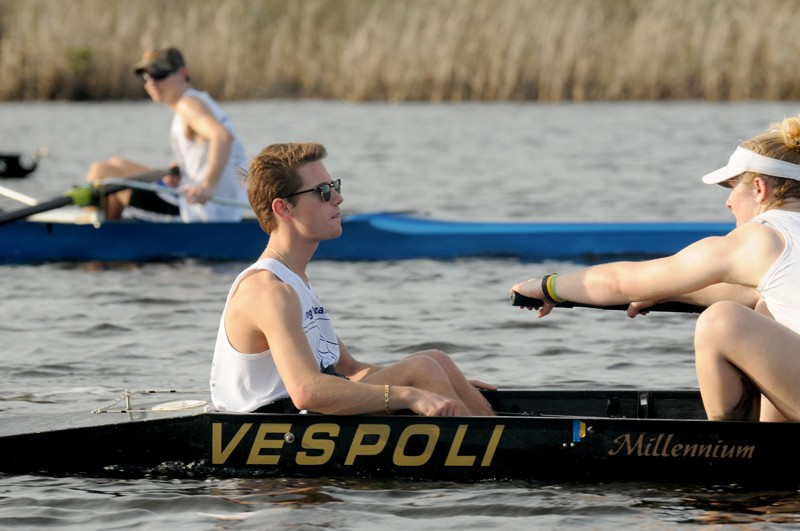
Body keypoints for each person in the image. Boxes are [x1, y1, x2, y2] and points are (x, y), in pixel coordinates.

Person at [511, 115, 800, 423]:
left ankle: (729, 450)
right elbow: (752, 292)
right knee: (763, 307)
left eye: (731, 187)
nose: (728, 202)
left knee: (722, 320)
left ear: (759, 188)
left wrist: (547, 287)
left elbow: (621, 283)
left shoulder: (760, 237)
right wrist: (669, 290)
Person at [210, 142, 496, 416]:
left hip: (305, 415)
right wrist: (410, 393)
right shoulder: (268, 290)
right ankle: (495, 455)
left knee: (437, 361)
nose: (338, 198)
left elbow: (350, 369)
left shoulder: (295, 281)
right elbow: (306, 392)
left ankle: (493, 444)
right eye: (323, 191)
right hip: (274, 424)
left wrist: (442, 385)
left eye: (335, 186)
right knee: (424, 368)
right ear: (284, 208)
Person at [85, 46, 247, 222]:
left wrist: (207, 186)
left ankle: (94, 235)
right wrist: (181, 171)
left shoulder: (188, 105)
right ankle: (108, 227)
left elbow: (223, 137)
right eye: (146, 76)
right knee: (117, 163)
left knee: (101, 171)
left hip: (200, 212)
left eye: (160, 74)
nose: (152, 82)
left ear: (183, 73)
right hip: (213, 205)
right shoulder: (197, 100)